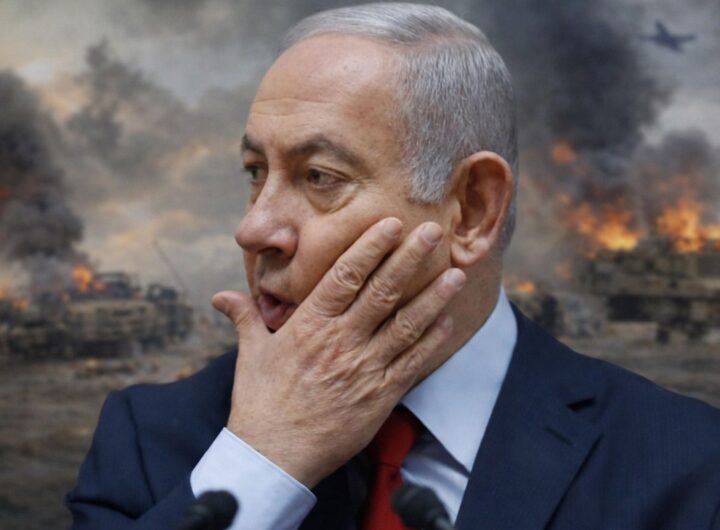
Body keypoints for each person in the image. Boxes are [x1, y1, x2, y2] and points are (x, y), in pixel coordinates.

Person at [66, 4, 720, 529]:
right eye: (255, 172)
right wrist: (263, 463)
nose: (254, 229)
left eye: (319, 177)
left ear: (471, 210)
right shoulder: (149, 438)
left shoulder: (684, 465)